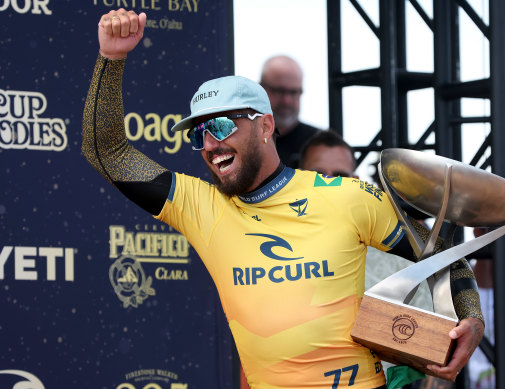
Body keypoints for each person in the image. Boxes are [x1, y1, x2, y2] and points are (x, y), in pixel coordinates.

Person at [83, 9, 484, 388]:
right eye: (198, 133)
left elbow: (443, 254)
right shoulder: (200, 207)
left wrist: (473, 318)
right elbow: (107, 152)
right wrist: (111, 58)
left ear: (265, 126)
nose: (209, 144)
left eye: (221, 126)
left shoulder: (346, 196)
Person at [260, 55, 320, 168]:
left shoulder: (319, 143)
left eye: (293, 92)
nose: (286, 101)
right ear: (260, 88)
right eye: (279, 91)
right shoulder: (243, 138)